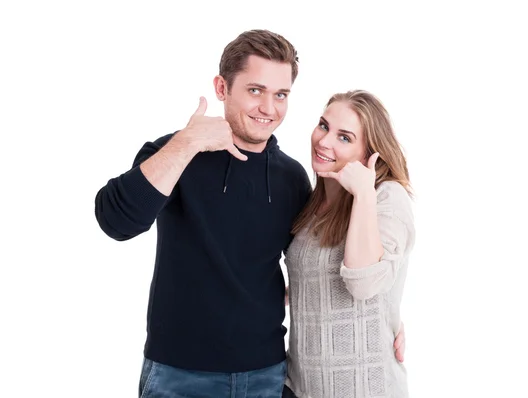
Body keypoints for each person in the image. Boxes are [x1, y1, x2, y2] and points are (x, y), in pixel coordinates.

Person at [95, 28, 405, 397]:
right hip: (180, 373)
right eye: (255, 91)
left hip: (268, 375)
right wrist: (187, 144)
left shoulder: (291, 178)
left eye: (281, 95)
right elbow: (117, 222)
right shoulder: (174, 154)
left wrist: (387, 317)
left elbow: (309, 268)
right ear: (222, 88)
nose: (268, 108)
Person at [283, 90, 415, 398]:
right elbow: (310, 283)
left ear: (369, 153)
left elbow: (365, 284)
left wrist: (364, 193)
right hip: (301, 387)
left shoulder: (386, 198)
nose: (324, 141)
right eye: (323, 126)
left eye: (345, 138)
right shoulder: (312, 204)